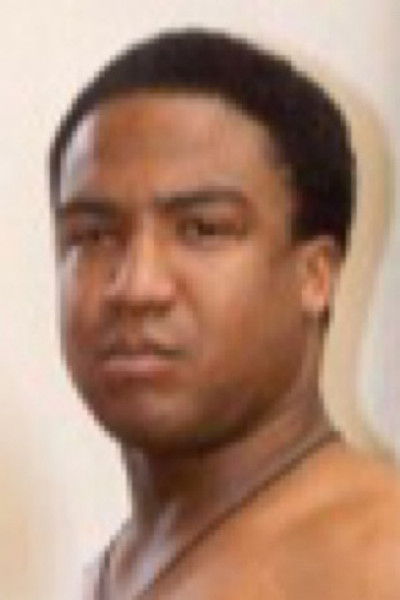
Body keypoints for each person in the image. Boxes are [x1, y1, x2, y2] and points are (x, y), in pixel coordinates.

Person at [49, 29, 400, 599]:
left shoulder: (379, 560)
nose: (136, 286)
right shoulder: (109, 574)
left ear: (316, 276)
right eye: (93, 235)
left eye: (202, 229)